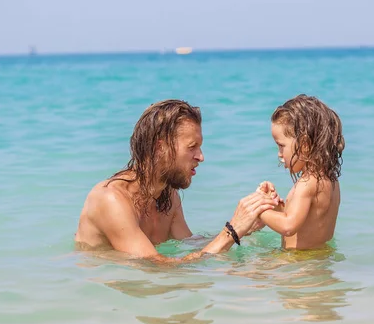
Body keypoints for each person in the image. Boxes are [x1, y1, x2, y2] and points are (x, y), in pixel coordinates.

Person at [74, 99, 278, 263]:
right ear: (160, 148)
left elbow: (190, 245)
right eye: (192, 147)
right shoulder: (111, 199)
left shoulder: (167, 195)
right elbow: (158, 265)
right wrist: (231, 231)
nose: (201, 157)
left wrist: (248, 225)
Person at [257, 94, 345, 250]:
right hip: (318, 260)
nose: (279, 153)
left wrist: (259, 210)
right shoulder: (330, 180)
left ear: (304, 144)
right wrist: (275, 206)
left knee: (245, 269)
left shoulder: (307, 183)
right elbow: (305, 220)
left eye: (281, 146)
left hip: (297, 264)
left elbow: (288, 226)